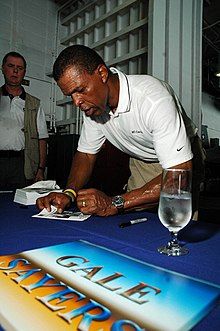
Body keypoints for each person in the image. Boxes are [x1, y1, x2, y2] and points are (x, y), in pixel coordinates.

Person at [36, 45, 205, 218]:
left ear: (102, 73)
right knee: (136, 222)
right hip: (142, 159)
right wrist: (69, 193)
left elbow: (179, 176)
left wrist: (114, 203)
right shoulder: (93, 107)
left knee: (177, 222)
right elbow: (86, 155)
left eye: (80, 90)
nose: (77, 102)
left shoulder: (153, 99)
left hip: (183, 160)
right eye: (70, 95)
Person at [0, 51, 48, 190]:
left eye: (19, 68)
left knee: (20, 203)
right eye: (11, 66)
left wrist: (40, 169)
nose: (15, 71)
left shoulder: (34, 104)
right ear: (3, 68)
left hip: (22, 165)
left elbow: (42, 139)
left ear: (24, 72)